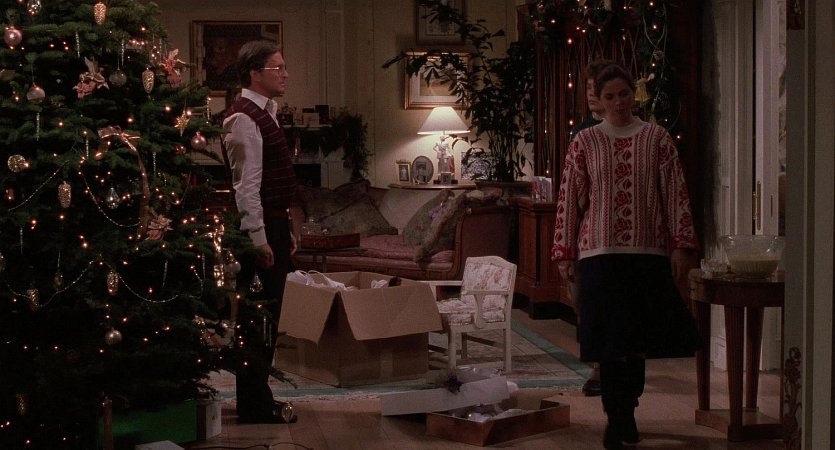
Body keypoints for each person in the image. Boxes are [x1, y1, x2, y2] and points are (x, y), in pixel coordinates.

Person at [551, 63, 699, 449]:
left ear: (634, 94)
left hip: (646, 254)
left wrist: (681, 244)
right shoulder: (585, 142)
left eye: (624, 94)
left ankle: (628, 409)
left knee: (636, 343)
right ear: (598, 100)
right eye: (610, 96)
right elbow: (568, 197)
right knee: (608, 343)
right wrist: (564, 251)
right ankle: (617, 418)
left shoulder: (657, 139)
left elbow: (676, 193)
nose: (618, 102)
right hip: (598, 255)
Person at [222, 40, 298, 424]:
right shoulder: (243, 119)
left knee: (268, 316)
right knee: (257, 319)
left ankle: (257, 398)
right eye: (277, 68)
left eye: (284, 67)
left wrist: (285, 228)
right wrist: (259, 239)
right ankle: (253, 404)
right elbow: (246, 188)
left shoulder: (268, 112)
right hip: (260, 228)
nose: (285, 74)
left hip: (275, 223)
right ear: (255, 73)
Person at [569, 58, 613, 398]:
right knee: (585, 301)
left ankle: (608, 368)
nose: (590, 94)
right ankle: (598, 362)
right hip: (588, 230)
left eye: (595, 88)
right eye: (587, 88)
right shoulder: (582, 133)